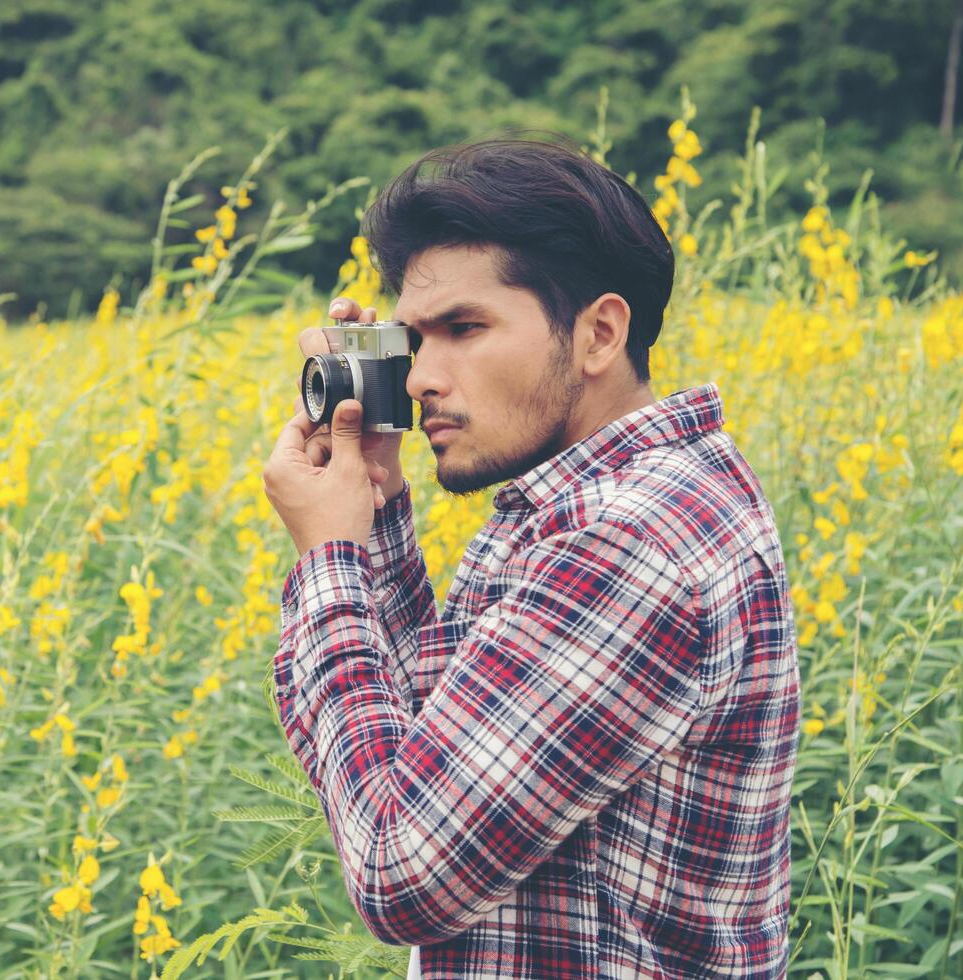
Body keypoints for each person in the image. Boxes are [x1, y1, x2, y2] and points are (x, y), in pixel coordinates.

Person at [262, 136, 800, 979]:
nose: (417, 379)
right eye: (410, 342)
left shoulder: (629, 544)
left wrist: (330, 558)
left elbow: (399, 870)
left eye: (463, 330)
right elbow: (423, 744)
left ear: (598, 333)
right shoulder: (589, 500)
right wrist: (371, 505)